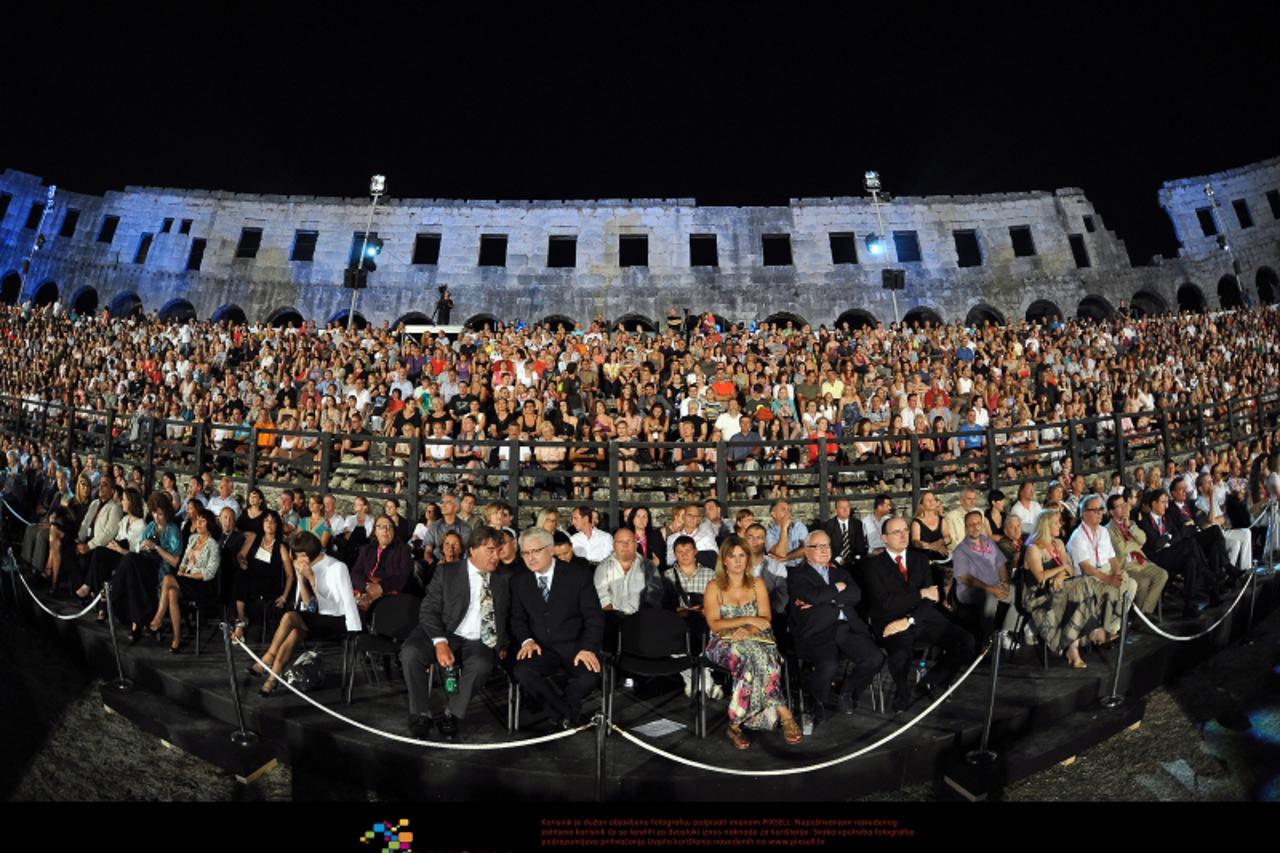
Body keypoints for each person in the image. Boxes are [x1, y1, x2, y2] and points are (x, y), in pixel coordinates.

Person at [399, 525, 510, 739]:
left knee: (481, 664)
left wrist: (504, 643)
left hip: (478, 638)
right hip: (444, 629)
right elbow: (428, 609)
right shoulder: (448, 572)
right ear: (473, 550)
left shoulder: (504, 580)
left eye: (499, 550)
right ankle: (421, 712)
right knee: (410, 653)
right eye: (490, 550)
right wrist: (440, 642)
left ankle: (453, 713)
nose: (496, 556)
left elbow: (509, 615)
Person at [861, 516, 975, 713]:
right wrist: (920, 593)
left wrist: (909, 619)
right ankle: (902, 693)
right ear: (884, 538)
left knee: (966, 641)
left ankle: (932, 681)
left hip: (921, 618)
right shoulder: (872, 566)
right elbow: (886, 604)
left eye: (905, 530)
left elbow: (933, 597)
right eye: (897, 532)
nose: (903, 535)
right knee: (900, 654)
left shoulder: (920, 559)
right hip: (890, 622)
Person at [703, 535, 802, 748]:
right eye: (733, 556)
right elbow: (714, 624)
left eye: (742, 556)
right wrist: (748, 619)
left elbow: (765, 619)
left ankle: (735, 724)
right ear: (724, 560)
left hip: (756, 637)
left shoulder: (757, 584)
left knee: (760, 656)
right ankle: (784, 712)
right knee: (755, 658)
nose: (738, 561)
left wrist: (747, 630)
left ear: (748, 559)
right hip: (723, 642)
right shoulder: (714, 586)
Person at [511, 527, 604, 727]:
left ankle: (562, 713)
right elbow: (517, 619)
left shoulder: (578, 575)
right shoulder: (520, 580)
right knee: (522, 671)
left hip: (575, 647)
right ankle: (567, 714)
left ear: (551, 549)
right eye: (526, 553)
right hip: (540, 648)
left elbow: (594, 617)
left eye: (536, 551)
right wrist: (527, 641)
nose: (530, 558)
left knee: (590, 676)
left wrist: (588, 648)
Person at [251, 531, 361, 697]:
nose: (297, 559)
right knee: (295, 631)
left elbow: (339, 605)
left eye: (299, 555)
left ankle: (268, 658)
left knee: (289, 617)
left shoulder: (337, 567)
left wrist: (311, 578)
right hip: (318, 618)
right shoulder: (307, 567)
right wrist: (301, 579)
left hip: (339, 619)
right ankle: (272, 678)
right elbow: (309, 605)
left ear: (308, 553)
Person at [788, 530, 882, 723]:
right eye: (818, 546)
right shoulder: (797, 575)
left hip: (847, 628)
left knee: (874, 658)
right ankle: (817, 699)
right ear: (806, 551)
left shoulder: (840, 572)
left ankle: (846, 691)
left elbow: (855, 595)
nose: (824, 550)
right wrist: (837, 590)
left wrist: (826, 599)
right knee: (829, 664)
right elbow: (811, 596)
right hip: (817, 630)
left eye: (827, 545)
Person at [1022, 510, 1107, 668]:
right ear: (1046, 526)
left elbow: (1072, 571)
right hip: (1039, 595)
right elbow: (1041, 577)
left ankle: (1073, 648)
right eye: (1056, 522)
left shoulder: (1058, 544)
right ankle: (1092, 629)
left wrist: (1060, 575)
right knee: (1083, 585)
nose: (1060, 524)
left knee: (1084, 585)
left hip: (1059, 588)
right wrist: (1062, 568)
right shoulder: (1033, 548)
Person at [113, 492, 184, 644]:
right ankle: (135, 624)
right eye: (154, 513)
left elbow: (175, 562)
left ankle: (113, 590)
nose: (157, 517)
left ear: (166, 512)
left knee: (130, 560)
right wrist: (144, 547)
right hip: (145, 564)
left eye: (160, 514)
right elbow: (139, 549)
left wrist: (157, 547)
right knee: (132, 572)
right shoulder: (151, 526)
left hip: (160, 569)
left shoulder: (173, 530)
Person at [1137, 488, 1218, 618]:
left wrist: (1167, 539)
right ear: (1153, 504)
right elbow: (1155, 544)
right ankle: (1207, 575)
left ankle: (1188, 606)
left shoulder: (1167, 518)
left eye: (1166, 502)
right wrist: (1169, 538)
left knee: (1190, 561)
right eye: (1163, 502)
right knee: (1190, 543)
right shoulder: (1144, 522)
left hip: (1172, 553)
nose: (1166, 505)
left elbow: (1179, 535)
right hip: (1158, 558)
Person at [1065, 494, 1137, 640]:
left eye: (1101, 509)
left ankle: (1112, 627)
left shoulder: (1103, 531)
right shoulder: (1078, 536)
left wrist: (1117, 573)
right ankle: (1105, 628)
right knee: (1114, 589)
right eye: (1095, 510)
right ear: (1084, 513)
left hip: (1105, 570)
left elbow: (1112, 557)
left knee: (1132, 584)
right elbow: (1086, 568)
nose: (1099, 513)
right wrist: (1110, 580)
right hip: (1088, 578)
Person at [150, 508, 221, 653]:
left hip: (202, 585)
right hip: (186, 581)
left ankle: (158, 617)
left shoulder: (213, 545)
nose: (199, 523)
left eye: (203, 521)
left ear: (209, 524)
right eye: (198, 520)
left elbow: (209, 573)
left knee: (168, 578)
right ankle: (177, 639)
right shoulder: (192, 538)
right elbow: (183, 563)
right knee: (171, 592)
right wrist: (182, 570)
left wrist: (186, 576)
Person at [231, 510, 295, 642]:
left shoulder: (281, 547)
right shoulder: (254, 538)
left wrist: (284, 597)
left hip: (269, 584)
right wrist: (241, 561)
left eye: (273, 521)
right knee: (239, 576)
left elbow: (290, 575)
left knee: (242, 581)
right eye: (266, 520)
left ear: (277, 526)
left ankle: (240, 624)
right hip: (250, 579)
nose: (269, 524)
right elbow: (240, 555)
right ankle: (240, 623)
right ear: (262, 523)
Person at [951, 510, 1016, 640]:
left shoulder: (989, 542)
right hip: (970, 590)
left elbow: (1000, 563)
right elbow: (965, 578)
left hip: (994, 583)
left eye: (978, 523)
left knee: (1016, 592)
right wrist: (990, 588)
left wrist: (1005, 582)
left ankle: (1005, 633)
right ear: (966, 527)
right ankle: (988, 639)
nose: (975, 527)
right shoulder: (960, 551)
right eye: (971, 524)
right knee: (990, 598)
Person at [1104, 493, 1168, 619]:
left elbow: (1143, 539)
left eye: (1124, 504)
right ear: (1111, 512)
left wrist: (1129, 526)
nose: (1124, 508)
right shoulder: (1108, 530)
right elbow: (1121, 550)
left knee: (1162, 574)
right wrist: (1135, 544)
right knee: (1143, 582)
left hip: (1139, 561)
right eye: (1119, 506)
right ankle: (1141, 617)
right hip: (1125, 566)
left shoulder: (1131, 523)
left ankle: (1144, 614)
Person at [350, 515, 414, 612]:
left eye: (389, 527)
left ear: (393, 531)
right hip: (365, 589)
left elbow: (402, 576)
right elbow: (355, 572)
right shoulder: (366, 549)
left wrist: (381, 587)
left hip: (388, 591)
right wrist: (366, 586)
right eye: (381, 526)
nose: (385, 530)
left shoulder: (403, 550)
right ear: (375, 531)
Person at [823, 497, 868, 571]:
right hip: (836, 562)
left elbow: (860, 545)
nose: (845, 510)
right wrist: (837, 558)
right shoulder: (829, 525)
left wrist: (856, 558)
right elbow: (827, 546)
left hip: (855, 561)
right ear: (836, 510)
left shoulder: (857, 523)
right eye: (842, 507)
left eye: (847, 507)